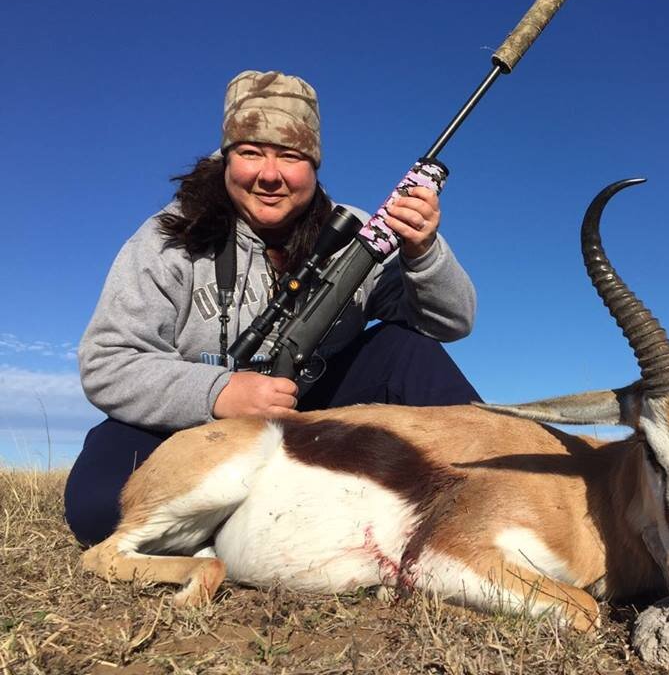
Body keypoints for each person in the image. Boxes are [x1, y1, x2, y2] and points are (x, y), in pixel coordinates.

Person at [65, 70, 480, 546]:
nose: (269, 174)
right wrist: (218, 393)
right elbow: (107, 362)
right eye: (250, 152)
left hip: (311, 414)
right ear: (226, 158)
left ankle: (507, 488)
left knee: (405, 349)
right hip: (184, 427)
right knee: (100, 511)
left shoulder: (358, 237)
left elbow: (451, 321)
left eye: (290, 155)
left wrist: (422, 251)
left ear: (314, 166)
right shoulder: (170, 236)